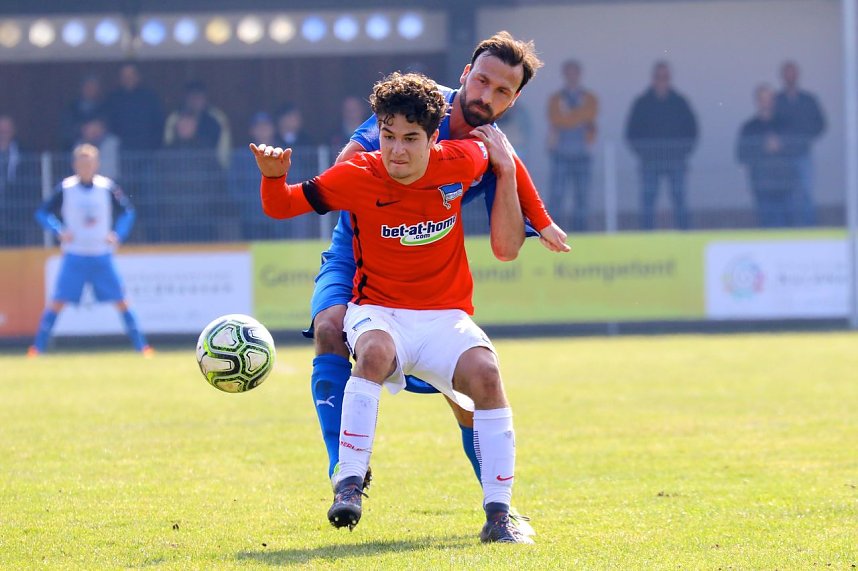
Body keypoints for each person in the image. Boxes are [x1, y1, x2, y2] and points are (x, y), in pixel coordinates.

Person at [302, 31, 568, 538]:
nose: (487, 96)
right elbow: (343, 169)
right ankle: (346, 475)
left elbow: (508, 236)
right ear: (465, 75)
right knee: (330, 327)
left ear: (513, 101)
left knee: (468, 391)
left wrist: (527, 198)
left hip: (426, 266)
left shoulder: (489, 145)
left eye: (502, 91)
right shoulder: (418, 111)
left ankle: (500, 509)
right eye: (482, 80)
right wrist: (409, 182)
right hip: (359, 249)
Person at [252, 72, 537, 544]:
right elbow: (283, 205)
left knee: (485, 376)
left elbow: (496, 157)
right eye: (387, 137)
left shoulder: (463, 159)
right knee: (366, 349)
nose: (396, 151)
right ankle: (348, 482)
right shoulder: (359, 173)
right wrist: (273, 177)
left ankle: (499, 515)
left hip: (444, 316)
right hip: (378, 308)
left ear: (434, 138)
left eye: (410, 139)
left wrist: (519, 184)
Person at [28, 144, 152, 357]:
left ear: (96, 164)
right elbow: (42, 213)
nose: (85, 166)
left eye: (90, 162)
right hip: (75, 255)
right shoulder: (66, 188)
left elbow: (128, 213)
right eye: (81, 162)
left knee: (122, 301)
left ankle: (142, 347)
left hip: (101, 255)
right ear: (75, 164)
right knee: (57, 302)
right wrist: (58, 230)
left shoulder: (107, 187)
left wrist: (118, 234)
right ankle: (37, 348)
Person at [625, 60, 698, 230]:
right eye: (659, 77)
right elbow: (631, 133)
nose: (662, 80)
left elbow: (692, 131)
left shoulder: (680, 102)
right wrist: (644, 154)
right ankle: (647, 234)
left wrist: (682, 153)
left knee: (679, 199)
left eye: (665, 77)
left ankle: (685, 234)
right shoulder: (642, 103)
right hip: (650, 162)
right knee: (648, 200)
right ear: (653, 79)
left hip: (676, 161)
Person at [736, 84, 802, 228]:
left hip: (786, 184)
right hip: (762, 185)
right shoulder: (749, 128)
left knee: (790, 226)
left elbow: (798, 148)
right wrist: (762, 148)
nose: (766, 102)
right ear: (757, 101)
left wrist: (781, 146)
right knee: (768, 226)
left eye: (769, 98)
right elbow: (741, 155)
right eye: (762, 99)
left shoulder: (786, 124)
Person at [547, 59, 598, 232]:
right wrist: (578, 117)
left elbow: (588, 115)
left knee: (582, 196)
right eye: (569, 72)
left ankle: (581, 231)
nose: (572, 76)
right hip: (560, 154)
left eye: (574, 72)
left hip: (582, 154)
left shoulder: (590, 98)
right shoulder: (555, 99)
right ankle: (555, 232)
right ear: (564, 75)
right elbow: (556, 119)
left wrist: (568, 117)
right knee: (557, 196)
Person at [774, 60, 826, 226]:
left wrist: (805, 136)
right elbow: (768, 122)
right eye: (787, 73)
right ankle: (788, 230)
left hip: (803, 154)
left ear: (797, 75)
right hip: (781, 158)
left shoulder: (808, 100)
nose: (790, 76)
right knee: (785, 194)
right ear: (782, 76)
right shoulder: (777, 100)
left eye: (793, 72)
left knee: (805, 194)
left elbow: (821, 123)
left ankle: (809, 230)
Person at [164, 80, 232, 169]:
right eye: (192, 98)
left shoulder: (217, 118)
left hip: (209, 167)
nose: (195, 101)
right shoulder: (174, 118)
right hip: (177, 166)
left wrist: (222, 166)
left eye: (198, 98)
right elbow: (168, 141)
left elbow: (223, 146)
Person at [60, 74, 105, 150]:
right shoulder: (72, 108)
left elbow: (107, 124)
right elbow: (67, 129)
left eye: (93, 88)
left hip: (100, 143)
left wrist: (97, 129)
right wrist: (83, 129)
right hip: (78, 142)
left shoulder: (103, 107)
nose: (91, 90)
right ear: (82, 88)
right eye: (88, 87)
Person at [77, 114, 120, 181]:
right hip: (86, 181)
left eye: (97, 128)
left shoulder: (112, 142)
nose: (94, 132)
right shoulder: (79, 146)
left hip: (110, 179)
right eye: (91, 129)